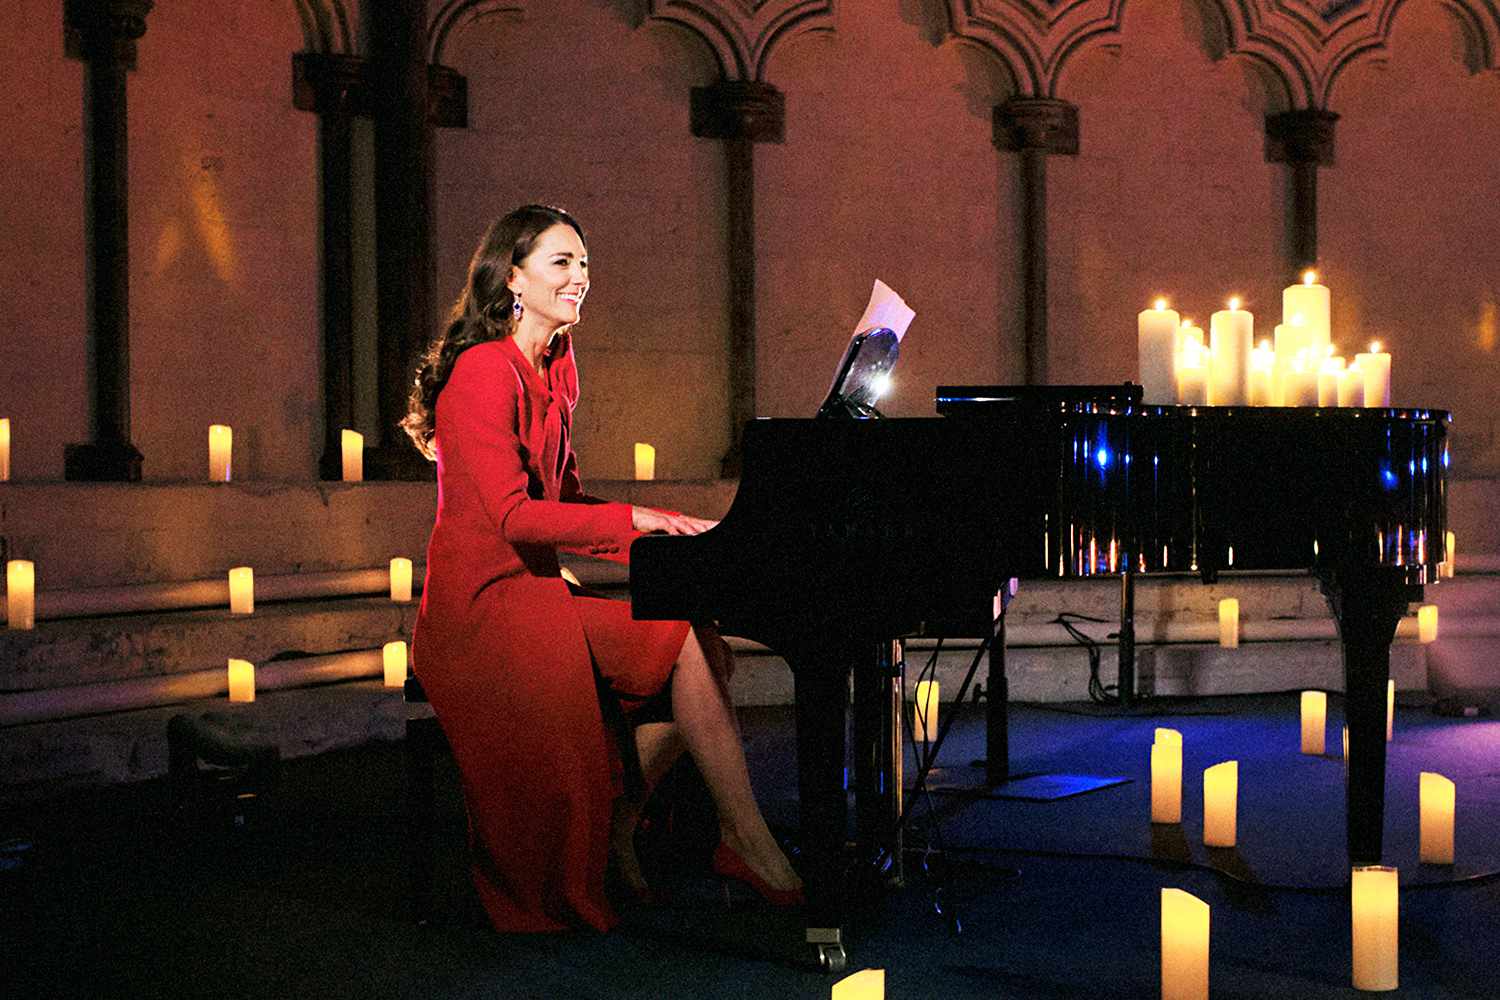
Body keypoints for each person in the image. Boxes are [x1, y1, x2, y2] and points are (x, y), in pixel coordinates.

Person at [401, 204, 802, 932]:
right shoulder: (482, 373)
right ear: (512, 278)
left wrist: (663, 528)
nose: (581, 276)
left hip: (537, 592)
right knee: (675, 650)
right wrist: (632, 522)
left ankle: (694, 833)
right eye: (562, 262)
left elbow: (565, 498)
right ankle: (709, 839)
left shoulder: (557, 365)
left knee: (693, 645)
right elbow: (513, 517)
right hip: (479, 610)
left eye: (584, 263)